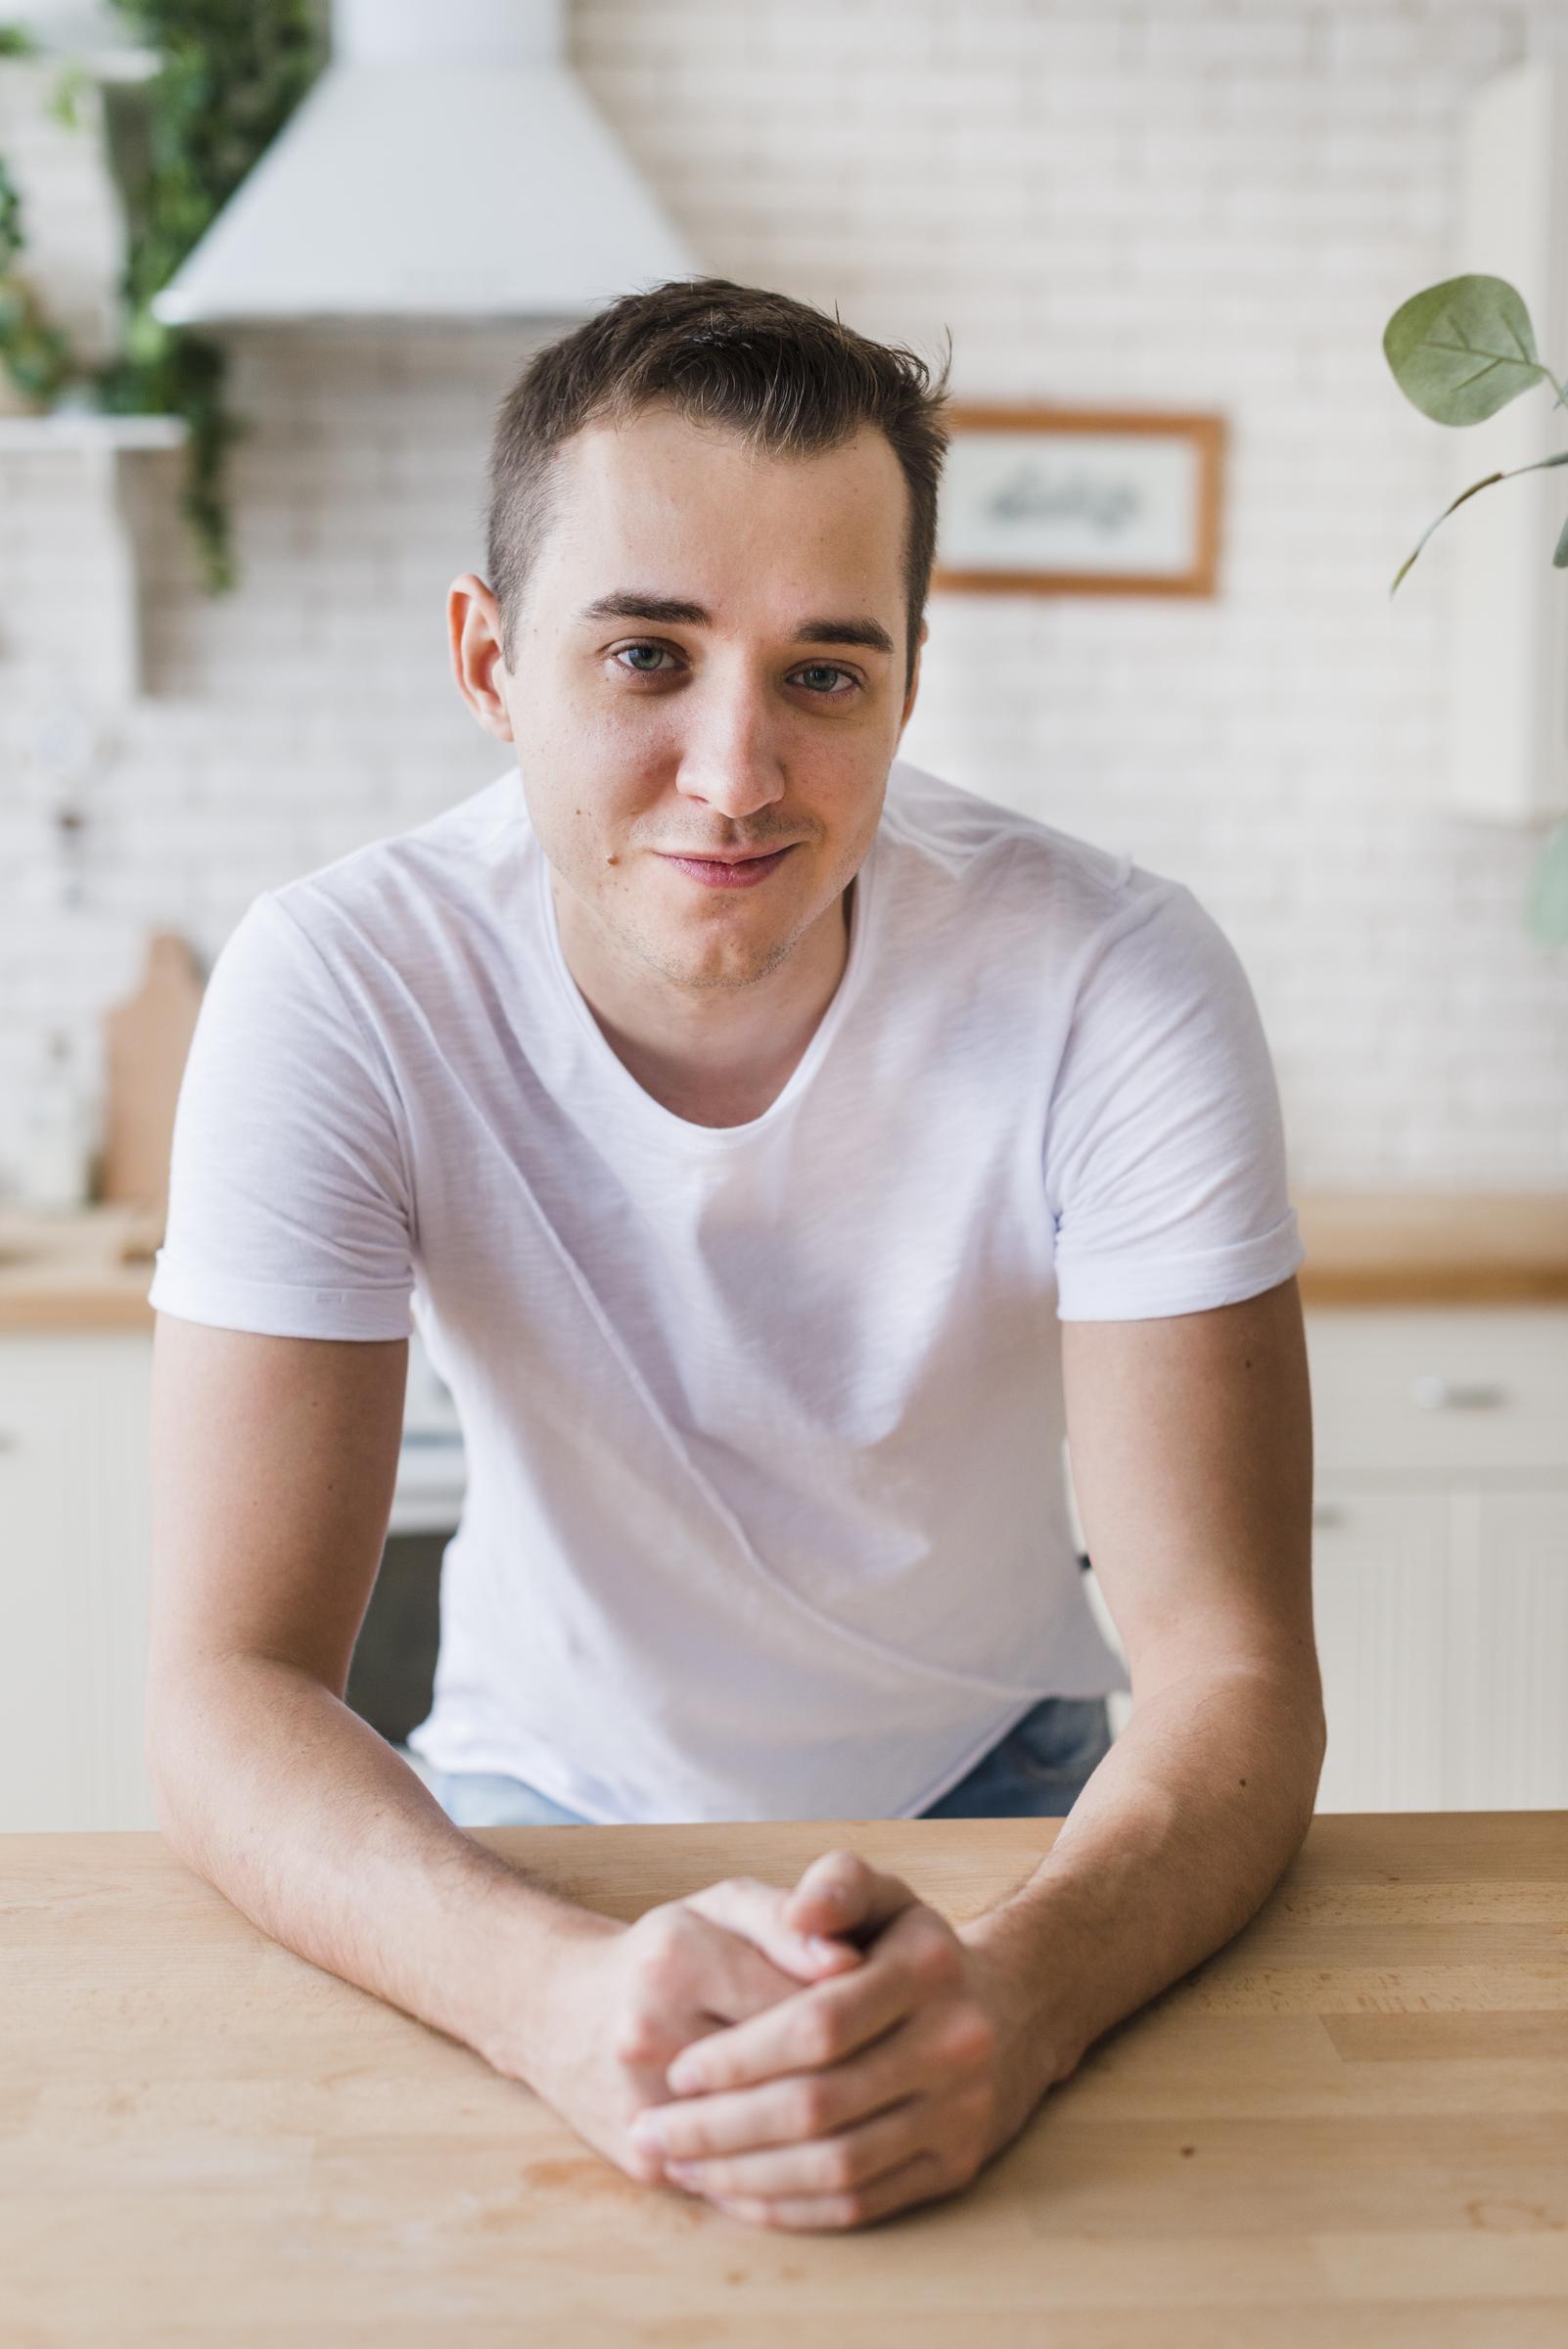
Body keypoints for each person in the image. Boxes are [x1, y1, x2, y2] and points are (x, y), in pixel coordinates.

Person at [145, 276, 1321, 2236]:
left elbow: (1233, 1667)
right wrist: (544, 1993)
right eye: (646, 657)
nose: (735, 770)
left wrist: (1020, 2004)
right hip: (520, 1823)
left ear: (910, 681)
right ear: (489, 658)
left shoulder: (1117, 978)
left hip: (1016, 1797)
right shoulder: (339, 984)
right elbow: (223, 1686)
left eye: (823, 673)